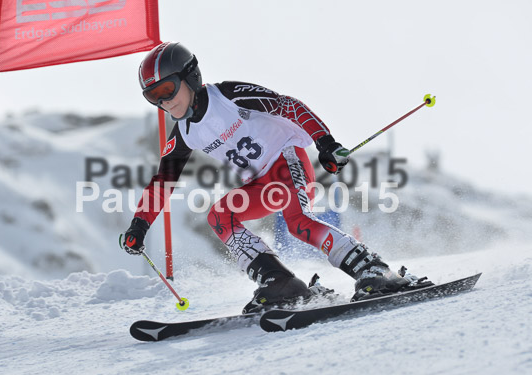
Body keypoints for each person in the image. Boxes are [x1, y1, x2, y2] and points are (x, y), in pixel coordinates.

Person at [123, 42, 426, 314]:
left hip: (286, 159)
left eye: (168, 90)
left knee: (298, 222)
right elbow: (162, 181)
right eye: (154, 96)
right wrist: (140, 224)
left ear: (190, 77)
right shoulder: (185, 133)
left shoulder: (228, 95)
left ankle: (375, 270)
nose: (164, 102)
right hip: (261, 185)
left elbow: (288, 105)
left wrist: (325, 143)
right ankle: (280, 283)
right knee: (220, 215)